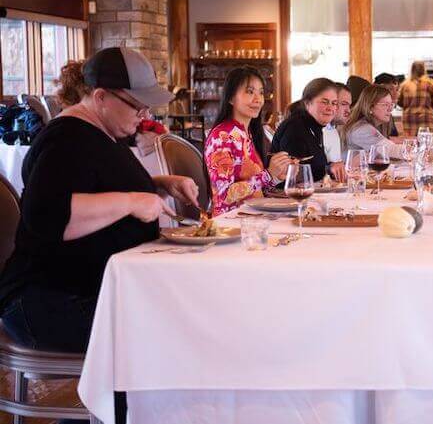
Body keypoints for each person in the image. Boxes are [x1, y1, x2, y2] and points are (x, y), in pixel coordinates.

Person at [0, 47, 198, 354]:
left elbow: (93, 187)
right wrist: (132, 201)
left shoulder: (100, 132)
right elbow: (47, 217)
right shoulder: (66, 139)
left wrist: (159, 185)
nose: (145, 116)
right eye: (137, 107)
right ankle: (127, 403)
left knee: (187, 306)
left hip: (84, 292)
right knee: (178, 327)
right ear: (101, 97)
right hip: (48, 303)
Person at [204, 67, 294, 215]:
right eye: (250, 92)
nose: (258, 99)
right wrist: (268, 174)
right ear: (231, 98)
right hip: (231, 223)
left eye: (261, 92)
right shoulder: (222, 137)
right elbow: (224, 195)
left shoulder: (246, 133)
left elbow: (254, 188)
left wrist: (277, 176)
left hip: (252, 217)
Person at [271, 78, 344, 182]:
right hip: (285, 195)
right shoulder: (295, 127)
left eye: (334, 103)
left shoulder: (315, 127)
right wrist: (329, 169)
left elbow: (314, 165)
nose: (330, 108)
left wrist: (331, 167)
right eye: (324, 102)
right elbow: (293, 173)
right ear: (307, 103)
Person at [344, 84, 402, 158]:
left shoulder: (371, 125)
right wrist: (416, 151)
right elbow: (390, 150)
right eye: (385, 104)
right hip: (349, 169)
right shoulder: (362, 129)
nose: (390, 109)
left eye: (391, 104)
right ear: (370, 107)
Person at [397, 60, 433, 136]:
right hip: (426, 119)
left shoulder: (404, 85)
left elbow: (399, 102)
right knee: (426, 143)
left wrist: (409, 106)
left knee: (411, 143)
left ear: (412, 70)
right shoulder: (430, 83)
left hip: (409, 120)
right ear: (424, 69)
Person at [323, 83, 352, 166]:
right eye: (343, 104)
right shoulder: (318, 131)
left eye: (349, 105)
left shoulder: (332, 129)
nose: (348, 111)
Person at [373, 72, 400, 137]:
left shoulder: (388, 114)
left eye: (396, 90)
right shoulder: (372, 115)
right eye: (390, 89)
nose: (396, 94)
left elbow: (393, 137)